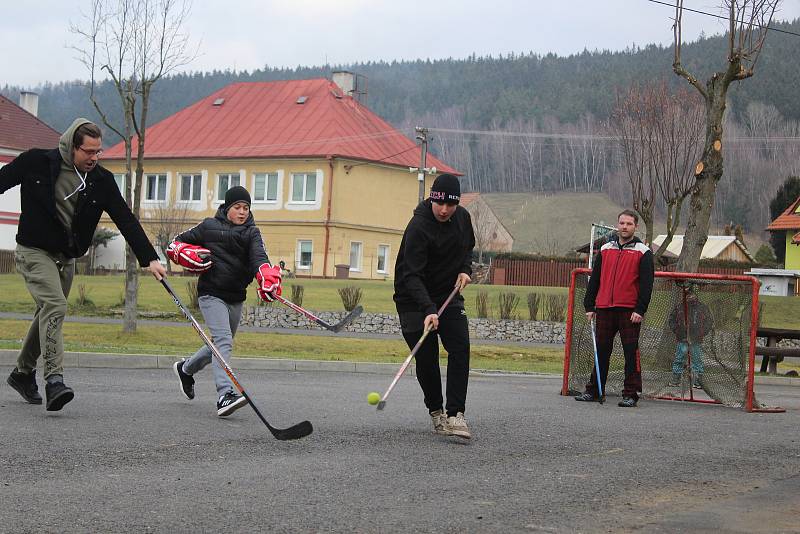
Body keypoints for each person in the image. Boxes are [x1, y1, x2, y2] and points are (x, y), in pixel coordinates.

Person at [1, 118, 166, 411]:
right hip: (33, 251)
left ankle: (22, 374)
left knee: (46, 312)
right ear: (71, 147)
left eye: (98, 151)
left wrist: (150, 257)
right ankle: (55, 381)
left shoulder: (101, 180)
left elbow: (125, 218)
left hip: (66, 259)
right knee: (55, 306)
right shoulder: (36, 162)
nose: (94, 157)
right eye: (88, 152)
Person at [169, 185, 282, 417]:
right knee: (223, 342)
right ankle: (225, 395)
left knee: (220, 344)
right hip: (211, 294)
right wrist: (186, 253)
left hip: (236, 297)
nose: (242, 212)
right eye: (238, 207)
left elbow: (259, 257)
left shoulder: (252, 233)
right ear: (227, 207)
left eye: (246, 208)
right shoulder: (208, 226)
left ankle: (186, 368)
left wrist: (265, 277)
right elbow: (175, 244)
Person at [393, 173, 475, 439]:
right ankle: (436, 411)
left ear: (457, 204)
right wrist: (428, 308)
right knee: (426, 359)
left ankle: (455, 414)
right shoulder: (418, 227)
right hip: (412, 299)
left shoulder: (462, 219)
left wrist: (465, 270)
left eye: (450, 205)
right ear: (432, 198)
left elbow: (467, 250)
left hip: (447, 296)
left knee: (460, 347)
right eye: (439, 203)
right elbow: (411, 275)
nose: (444, 210)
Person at [575, 209, 654, 407]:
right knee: (601, 351)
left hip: (629, 311)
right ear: (617, 225)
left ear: (635, 227)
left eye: (628, 224)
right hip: (604, 308)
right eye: (622, 223)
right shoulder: (605, 249)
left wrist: (640, 309)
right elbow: (595, 279)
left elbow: (647, 284)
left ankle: (630, 394)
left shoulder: (643, 252)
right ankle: (593, 390)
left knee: (630, 353)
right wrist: (589, 305)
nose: (624, 227)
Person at [667, 290, 713, 389]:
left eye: (691, 295)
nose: (690, 297)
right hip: (682, 338)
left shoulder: (702, 307)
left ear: (695, 295)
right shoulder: (679, 307)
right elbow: (671, 319)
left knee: (696, 360)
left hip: (696, 339)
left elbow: (709, 321)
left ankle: (697, 381)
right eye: (687, 296)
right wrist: (676, 330)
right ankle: (676, 379)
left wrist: (702, 332)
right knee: (679, 358)